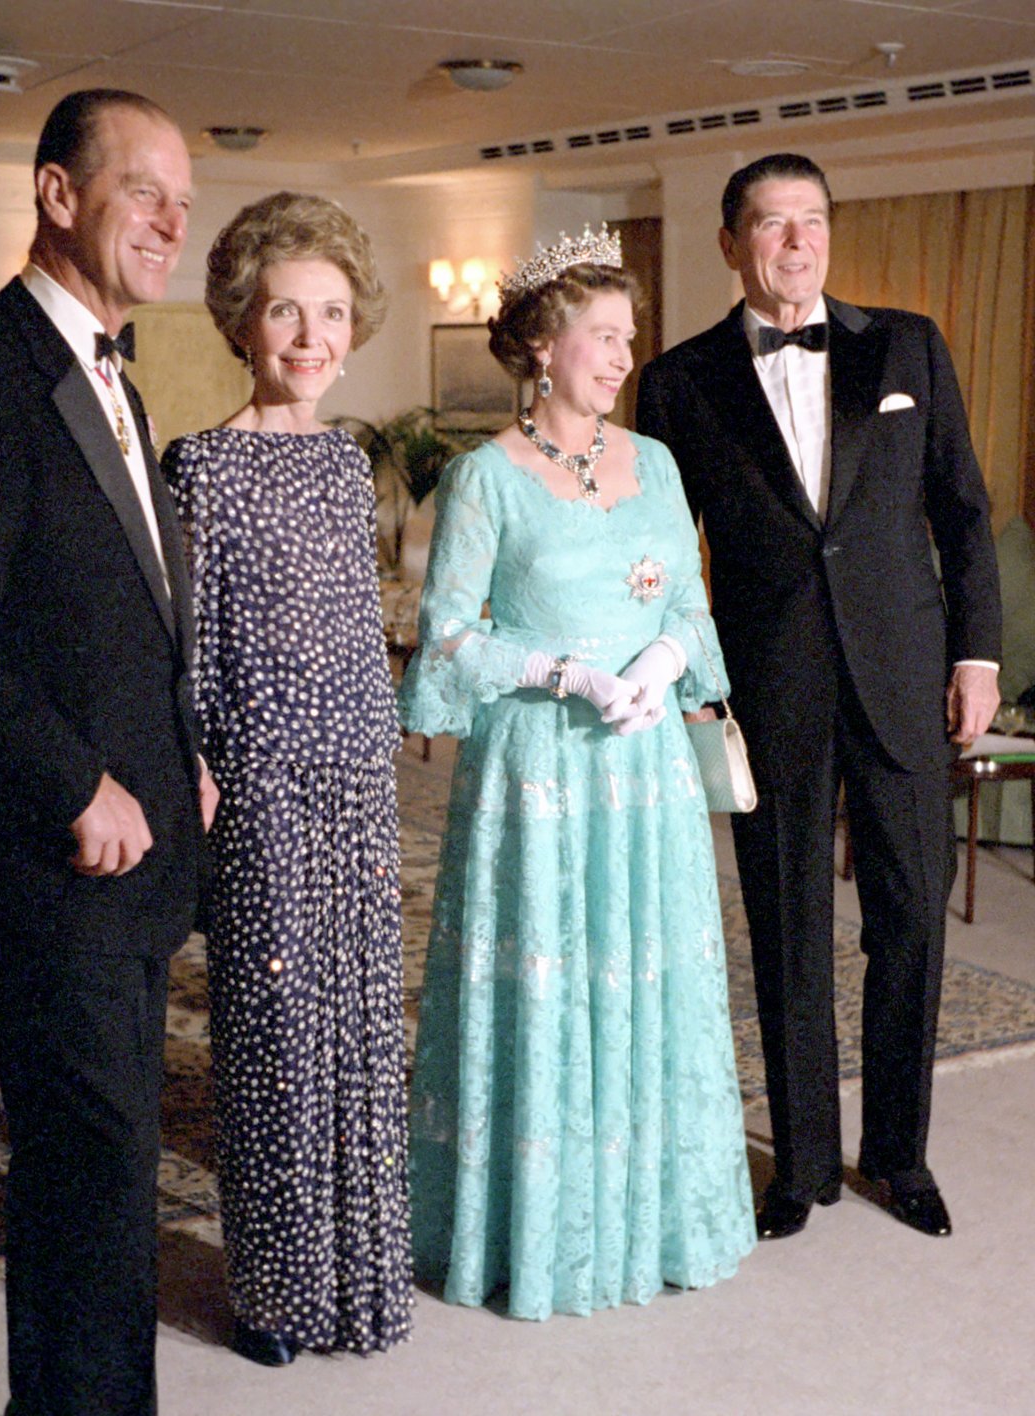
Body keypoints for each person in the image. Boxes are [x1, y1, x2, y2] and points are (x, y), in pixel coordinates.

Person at [0, 90, 216, 1415]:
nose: (172, 220)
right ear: (59, 195)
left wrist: (181, 749)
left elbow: (115, 612)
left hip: (137, 851)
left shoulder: (111, 372)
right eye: (143, 190)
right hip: (47, 853)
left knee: (105, 1165)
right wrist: (74, 781)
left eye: (183, 197)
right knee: (93, 1161)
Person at [637, 153, 1003, 1243]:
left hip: (905, 678)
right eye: (770, 223)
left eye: (811, 221)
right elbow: (662, 550)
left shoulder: (909, 346)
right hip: (772, 684)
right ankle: (800, 1166)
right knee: (787, 927)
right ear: (730, 243)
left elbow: (966, 513)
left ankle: (900, 1151)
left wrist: (976, 658)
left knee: (910, 923)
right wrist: (692, 686)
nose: (795, 242)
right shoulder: (678, 378)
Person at [400, 226, 756, 1321]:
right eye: (603, 337)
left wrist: (658, 660)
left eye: (628, 339)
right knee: (549, 985)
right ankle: (537, 1229)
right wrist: (564, 673)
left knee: (643, 977)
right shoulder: (482, 480)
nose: (620, 358)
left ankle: (649, 1219)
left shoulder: (655, 463)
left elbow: (690, 608)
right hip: (540, 773)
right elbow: (448, 637)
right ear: (543, 346)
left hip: (644, 767)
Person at [161, 191, 412, 1366]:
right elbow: (184, 647)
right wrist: (196, 767)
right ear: (242, 323)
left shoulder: (347, 464)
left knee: (361, 1025)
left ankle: (361, 1274)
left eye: (331, 314)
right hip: (258, 781)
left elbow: (358, 631)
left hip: (359, 775)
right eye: (284, 314)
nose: (310, 338)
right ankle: (274, 1293)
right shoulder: (197, 466)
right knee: (270, 1031)